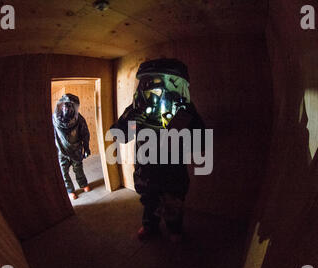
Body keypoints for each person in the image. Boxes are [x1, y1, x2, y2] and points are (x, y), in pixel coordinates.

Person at [111, 58, 205, 242]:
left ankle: (174, 229)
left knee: (174, 204)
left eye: (163, 86)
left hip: (173, 172)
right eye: (150, 85)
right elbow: (120, 136)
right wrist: (134, 121)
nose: (156, 93)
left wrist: (184, 126)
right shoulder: (137, 109)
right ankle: (150, 226)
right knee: (149, 202)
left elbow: (201, 145)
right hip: (146, 171)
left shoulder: (185, 110)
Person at [52, 93, 91, 200]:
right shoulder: (54, 120)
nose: (67, 108)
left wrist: (86, 147)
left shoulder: (79, 119)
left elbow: (85, 133)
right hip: (61, 149)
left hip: (76, 148)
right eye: (65, 105)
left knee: (78, 168)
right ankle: (70, 190)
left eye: (71, 106)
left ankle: (83, 184)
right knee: (63, 171)